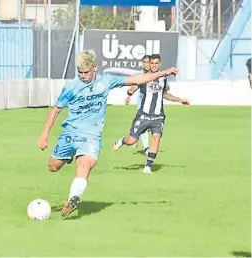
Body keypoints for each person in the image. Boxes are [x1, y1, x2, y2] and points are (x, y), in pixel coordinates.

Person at [36, 50, 179, 218]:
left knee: (84, 166)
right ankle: (68, 156)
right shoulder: (71, 87)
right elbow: (55, 111)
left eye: (86, 72)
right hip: (70, 133)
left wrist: (162, 73)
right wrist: (44, 136)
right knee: (53, 167)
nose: (83, 76)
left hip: (91, 137)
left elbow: (136, 79)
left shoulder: (106, 80)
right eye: (80, 72)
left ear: (95, 68)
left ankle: (74, 197)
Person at [112, 54, 190, 174]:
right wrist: (130, 92)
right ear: (149, 64)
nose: (153, 66)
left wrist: (180, 100)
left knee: (156, 138)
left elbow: (164, 94)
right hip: (144, 114)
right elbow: (133, 86)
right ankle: (122, 140)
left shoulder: (163, 79)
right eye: (152, 63)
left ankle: (148, 166)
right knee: (131, 140)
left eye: (156, 64)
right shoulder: (143, 77)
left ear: (160, 65)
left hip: (158, 116)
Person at [125, 54, 151, 154]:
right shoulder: (141, 76)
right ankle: (146, 148)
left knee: (147, 126)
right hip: (142, 106)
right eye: (144, 62)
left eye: (147, 62)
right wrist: (129, 95)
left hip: (153, 106)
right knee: (144, 125)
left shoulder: (155, 75)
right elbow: (134, 86)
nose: (146, 65)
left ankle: (136, 136)